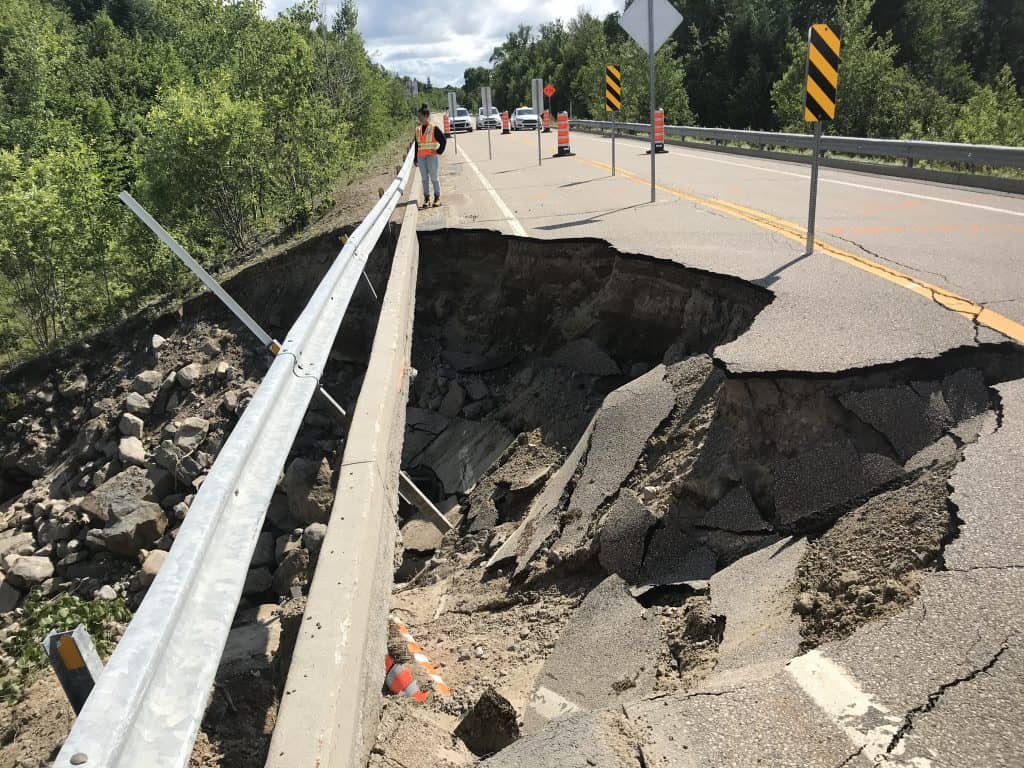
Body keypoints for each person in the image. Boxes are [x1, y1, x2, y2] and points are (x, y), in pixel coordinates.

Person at [413, 104, 447, 209]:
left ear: (426, 116)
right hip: (421, 158)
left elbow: (443, 140)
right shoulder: (418, 129)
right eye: (418, 116)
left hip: (431, 157)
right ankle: (427, 199)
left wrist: (438, 151)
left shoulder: (434, 128)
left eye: (420, 116)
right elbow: (417, 145)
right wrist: (415, 158)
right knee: (424, 179)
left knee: (434, 178)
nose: (418, 118)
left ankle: (437, 198)